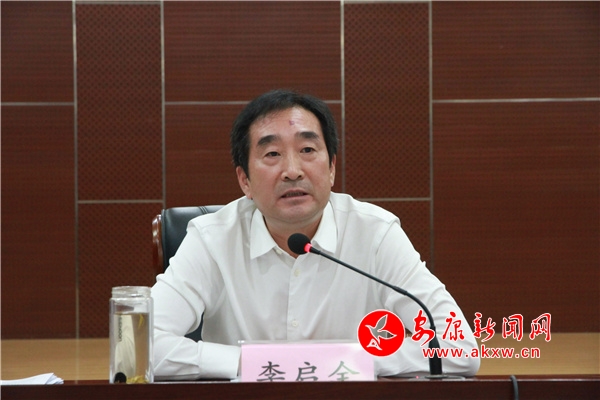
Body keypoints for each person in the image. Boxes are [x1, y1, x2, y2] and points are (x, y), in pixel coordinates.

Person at [151, 89, 480, 380]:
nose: (293, 171)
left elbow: (458, 347)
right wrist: (254, 363)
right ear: (244, 181)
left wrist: (346, 362)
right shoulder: (212, 239)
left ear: (332, 167)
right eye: (272, 154)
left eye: (307, 150)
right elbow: (142, 345)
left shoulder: (375, 234)